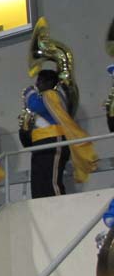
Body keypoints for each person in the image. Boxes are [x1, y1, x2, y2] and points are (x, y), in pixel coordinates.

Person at [19, 69, 97, 198]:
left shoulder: (52, 95)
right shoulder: (45, 96)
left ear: (49, 82)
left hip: (54, 140)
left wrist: (29, 93)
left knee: (51, 181)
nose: (37, 85)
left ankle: (58, 208)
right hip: (41, 142)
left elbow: (36, 105)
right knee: (39, 182)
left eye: (40, 81)